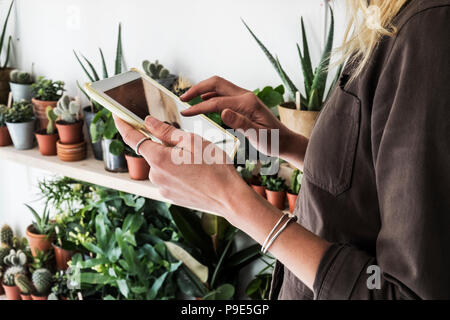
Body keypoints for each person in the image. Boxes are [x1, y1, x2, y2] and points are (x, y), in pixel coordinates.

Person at [114, 0, 450, 299]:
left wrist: (230, 200)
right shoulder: (393, 19)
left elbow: (403, 292)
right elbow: (374, 187)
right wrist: (284, 143)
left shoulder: (429, 30)